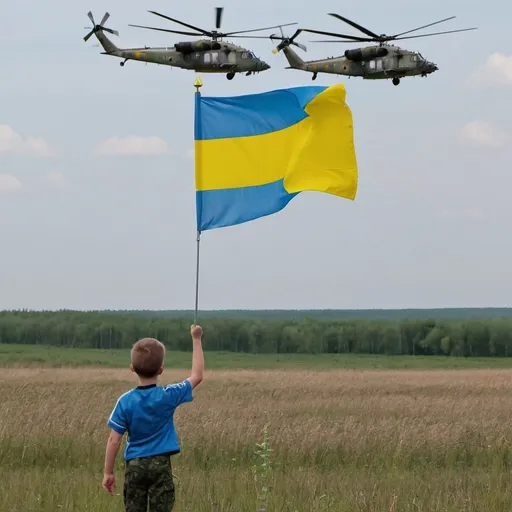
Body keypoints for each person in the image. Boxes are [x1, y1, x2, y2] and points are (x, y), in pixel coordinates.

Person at [102, 324, 204, 511]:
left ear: (132, 368)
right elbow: (197, 376)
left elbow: (114, 440)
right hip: (161, 465)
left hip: (134, 465)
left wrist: (108, 472)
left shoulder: (125, 401)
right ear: (161, 369)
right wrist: (196, 339)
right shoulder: (168, 396)